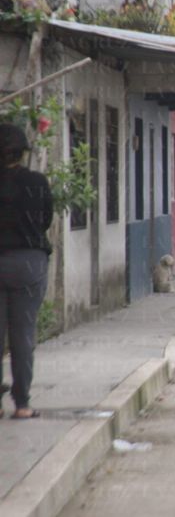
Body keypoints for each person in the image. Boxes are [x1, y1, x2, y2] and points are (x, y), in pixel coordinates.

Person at [0, 123, 52, 419]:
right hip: (28, 262)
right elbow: (45, 219)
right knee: (22, 335)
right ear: (21, 152)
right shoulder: (36, 182)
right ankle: (22, 404)